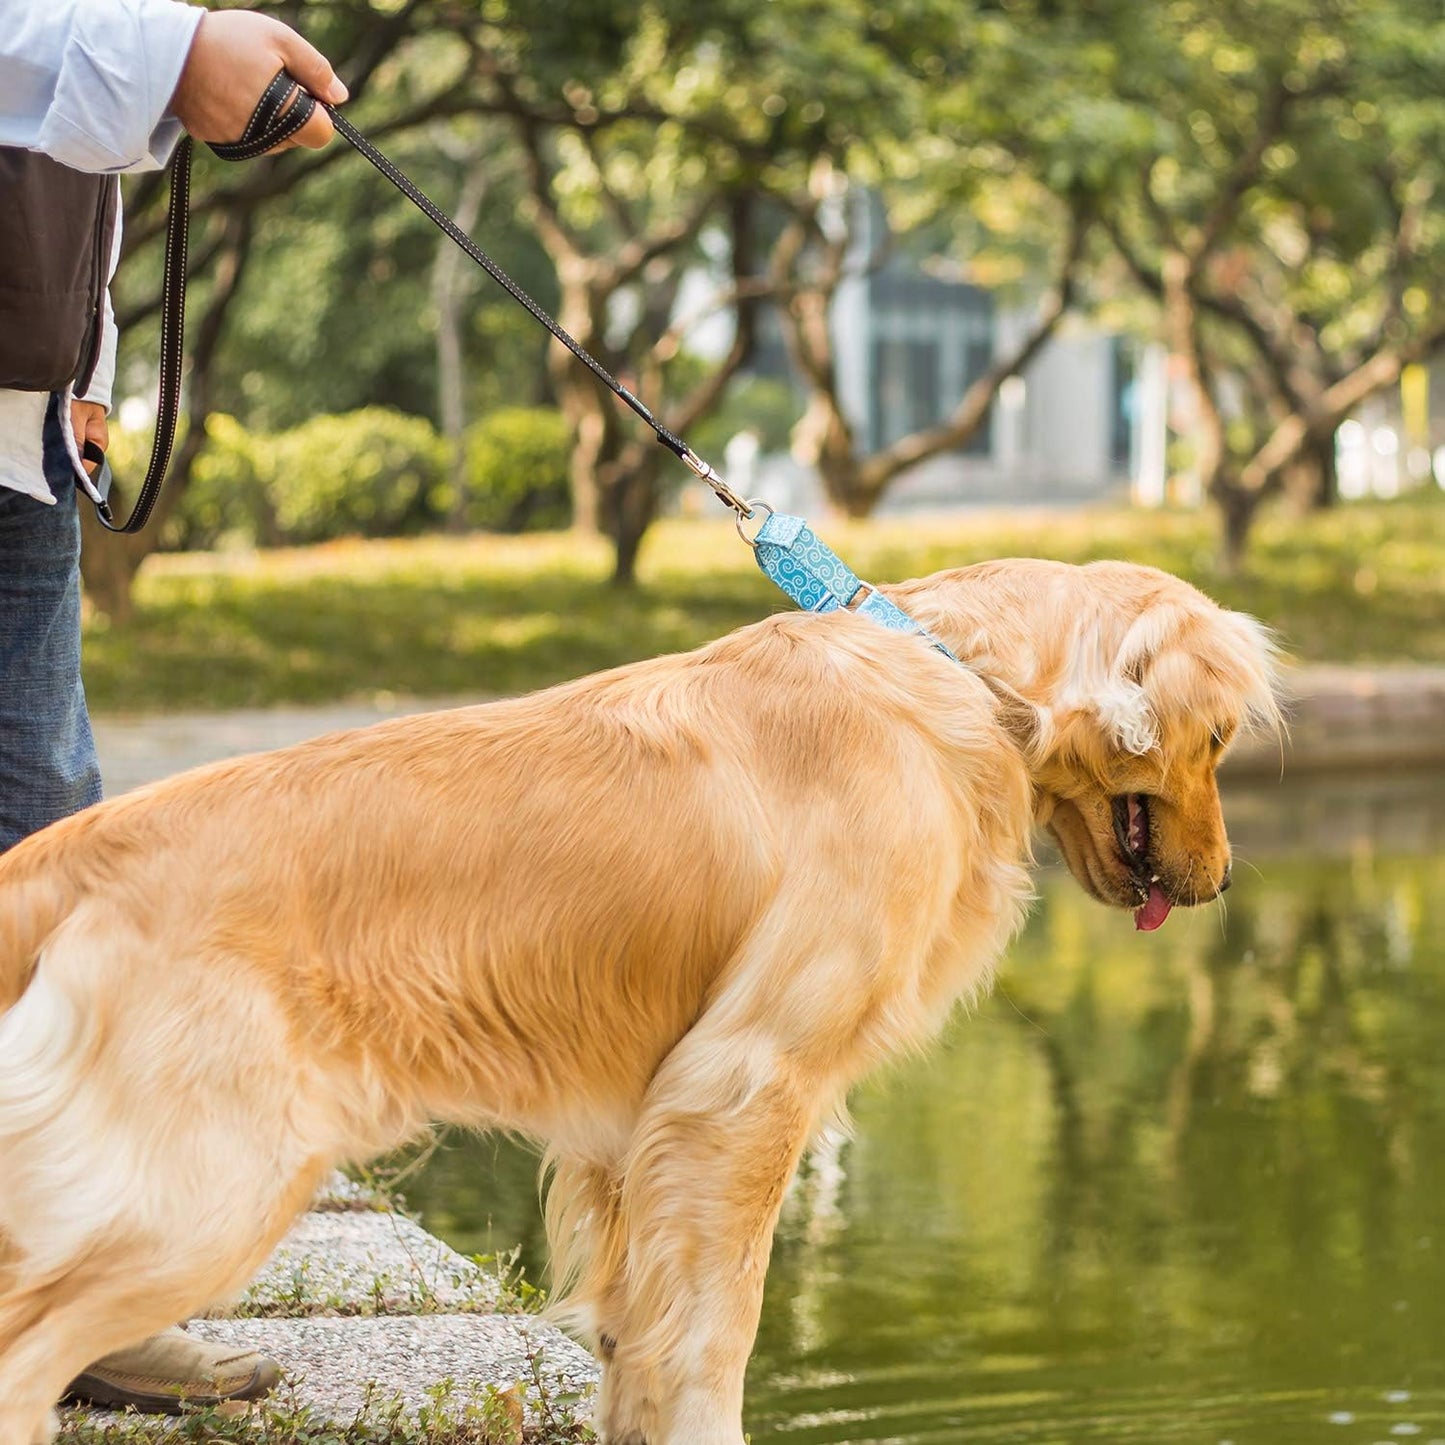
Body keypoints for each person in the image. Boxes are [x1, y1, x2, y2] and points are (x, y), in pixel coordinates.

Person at [0, 0, 346, 1416]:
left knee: (51, 844)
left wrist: (74, 376)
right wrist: (170, 53)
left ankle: (60, 1282)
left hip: (18, 420)